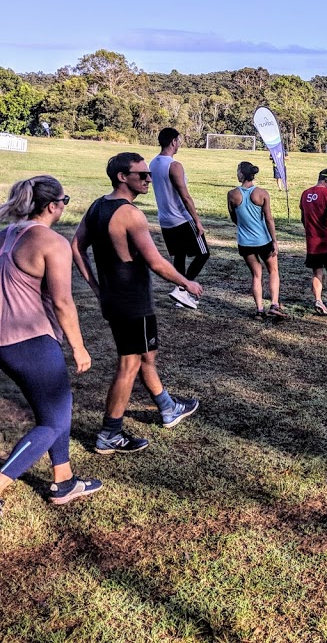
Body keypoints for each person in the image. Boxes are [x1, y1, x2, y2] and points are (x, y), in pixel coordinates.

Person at [71, 153, 203, 454]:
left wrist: (95, 286)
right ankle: (110, 433)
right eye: (142, 174)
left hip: (115, 299)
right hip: (132, 301)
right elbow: (155, 262)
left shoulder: (98, 206)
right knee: (130, 364)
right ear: (122, 177)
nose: (148, 179)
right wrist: (187, 283)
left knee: (147, 355)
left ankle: (168, 407)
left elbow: (76, 245)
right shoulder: (131, 215)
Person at [0, 177, 100, 514]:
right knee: (54, 422)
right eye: (65, 200)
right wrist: (79, 347)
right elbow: (62, 302)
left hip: (4, 342)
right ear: (53, 206)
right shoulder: (52, 242)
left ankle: (64, 480)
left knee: (57, 407)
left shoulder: (5, 235)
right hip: (28, 341)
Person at [149, 127, 209, 309]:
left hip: (165, 220)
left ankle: (180, 297)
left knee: (180, 256)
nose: (179, 144)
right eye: (179, 140)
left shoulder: (153, 163)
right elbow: (185, 196)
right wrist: (197, 221)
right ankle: (183, 290)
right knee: (204, 253)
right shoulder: (174, 165)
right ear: (174, 141)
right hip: (181, 219)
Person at [227, 162, 286, 319]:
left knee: (256, 275)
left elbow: (234, 217)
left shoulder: (232, 194)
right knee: (273, 271)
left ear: (241, 174)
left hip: (245, 243)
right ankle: (274, 304)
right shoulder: (262, 193)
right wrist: (274, 240)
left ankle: (259, 309)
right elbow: (269, 219)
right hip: (263, 240)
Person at [300, 169, 327, 316]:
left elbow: (303, 217)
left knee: (317, 271)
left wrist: (310, 230)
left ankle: (318, 299)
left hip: (312, 240)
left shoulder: (305, 194)